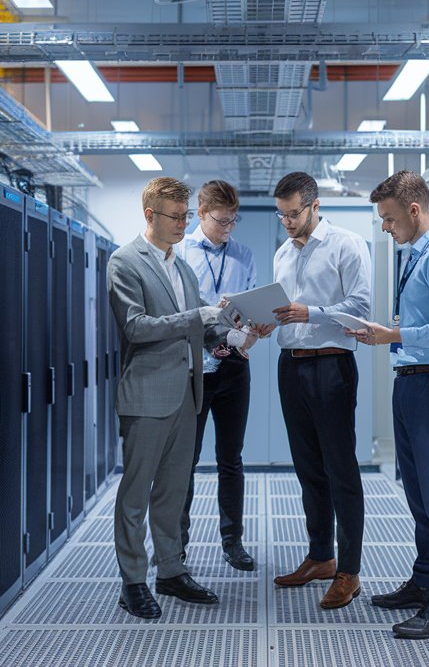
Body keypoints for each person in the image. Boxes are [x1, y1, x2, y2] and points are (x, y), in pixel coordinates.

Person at [347, 170, 429, 639]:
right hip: (411, 383)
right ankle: (424, 584)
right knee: (419, 496)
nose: (385, 226)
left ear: (414, 211)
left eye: (389, 218)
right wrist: (388, 334)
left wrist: (393, 334)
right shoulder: (413, 253)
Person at [106, 177, 230, 619]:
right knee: (136, 494)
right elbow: (136, 327)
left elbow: (197, 328)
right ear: (149, 216)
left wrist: (231, 328)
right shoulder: (125, 262)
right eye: (174, 217)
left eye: (184, 216)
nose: (182, 224)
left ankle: (171, 571)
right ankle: (133, 581)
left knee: (174, 491)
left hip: (186, 392)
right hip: (146, 395)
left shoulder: (182, 268)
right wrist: (197, 315)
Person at [269, 171, 372, 610]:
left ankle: (349, 572)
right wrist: (265, 321)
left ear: (313, 205)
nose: (288, 222)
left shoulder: (346, 244)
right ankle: (320, 556)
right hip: (290, 367)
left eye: (294, 214)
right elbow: (285, 313)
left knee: (340, 471)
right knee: (308, 468)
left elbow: (362, 307)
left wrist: (310, 312)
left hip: (331, 366)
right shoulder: (281, 253)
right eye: (281, 215)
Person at [177, 180, 273, 572]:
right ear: (201, 214)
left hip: (234, 365)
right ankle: (175, 546)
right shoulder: (179, 252)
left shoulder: (243, 255)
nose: (228, 229)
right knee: (184, 460)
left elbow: (250, 310)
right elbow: (177, 315)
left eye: (234, 221)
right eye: (221, 221)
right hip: (193, 368)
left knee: (230, 459)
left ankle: (233, 542)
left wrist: (255, 329)